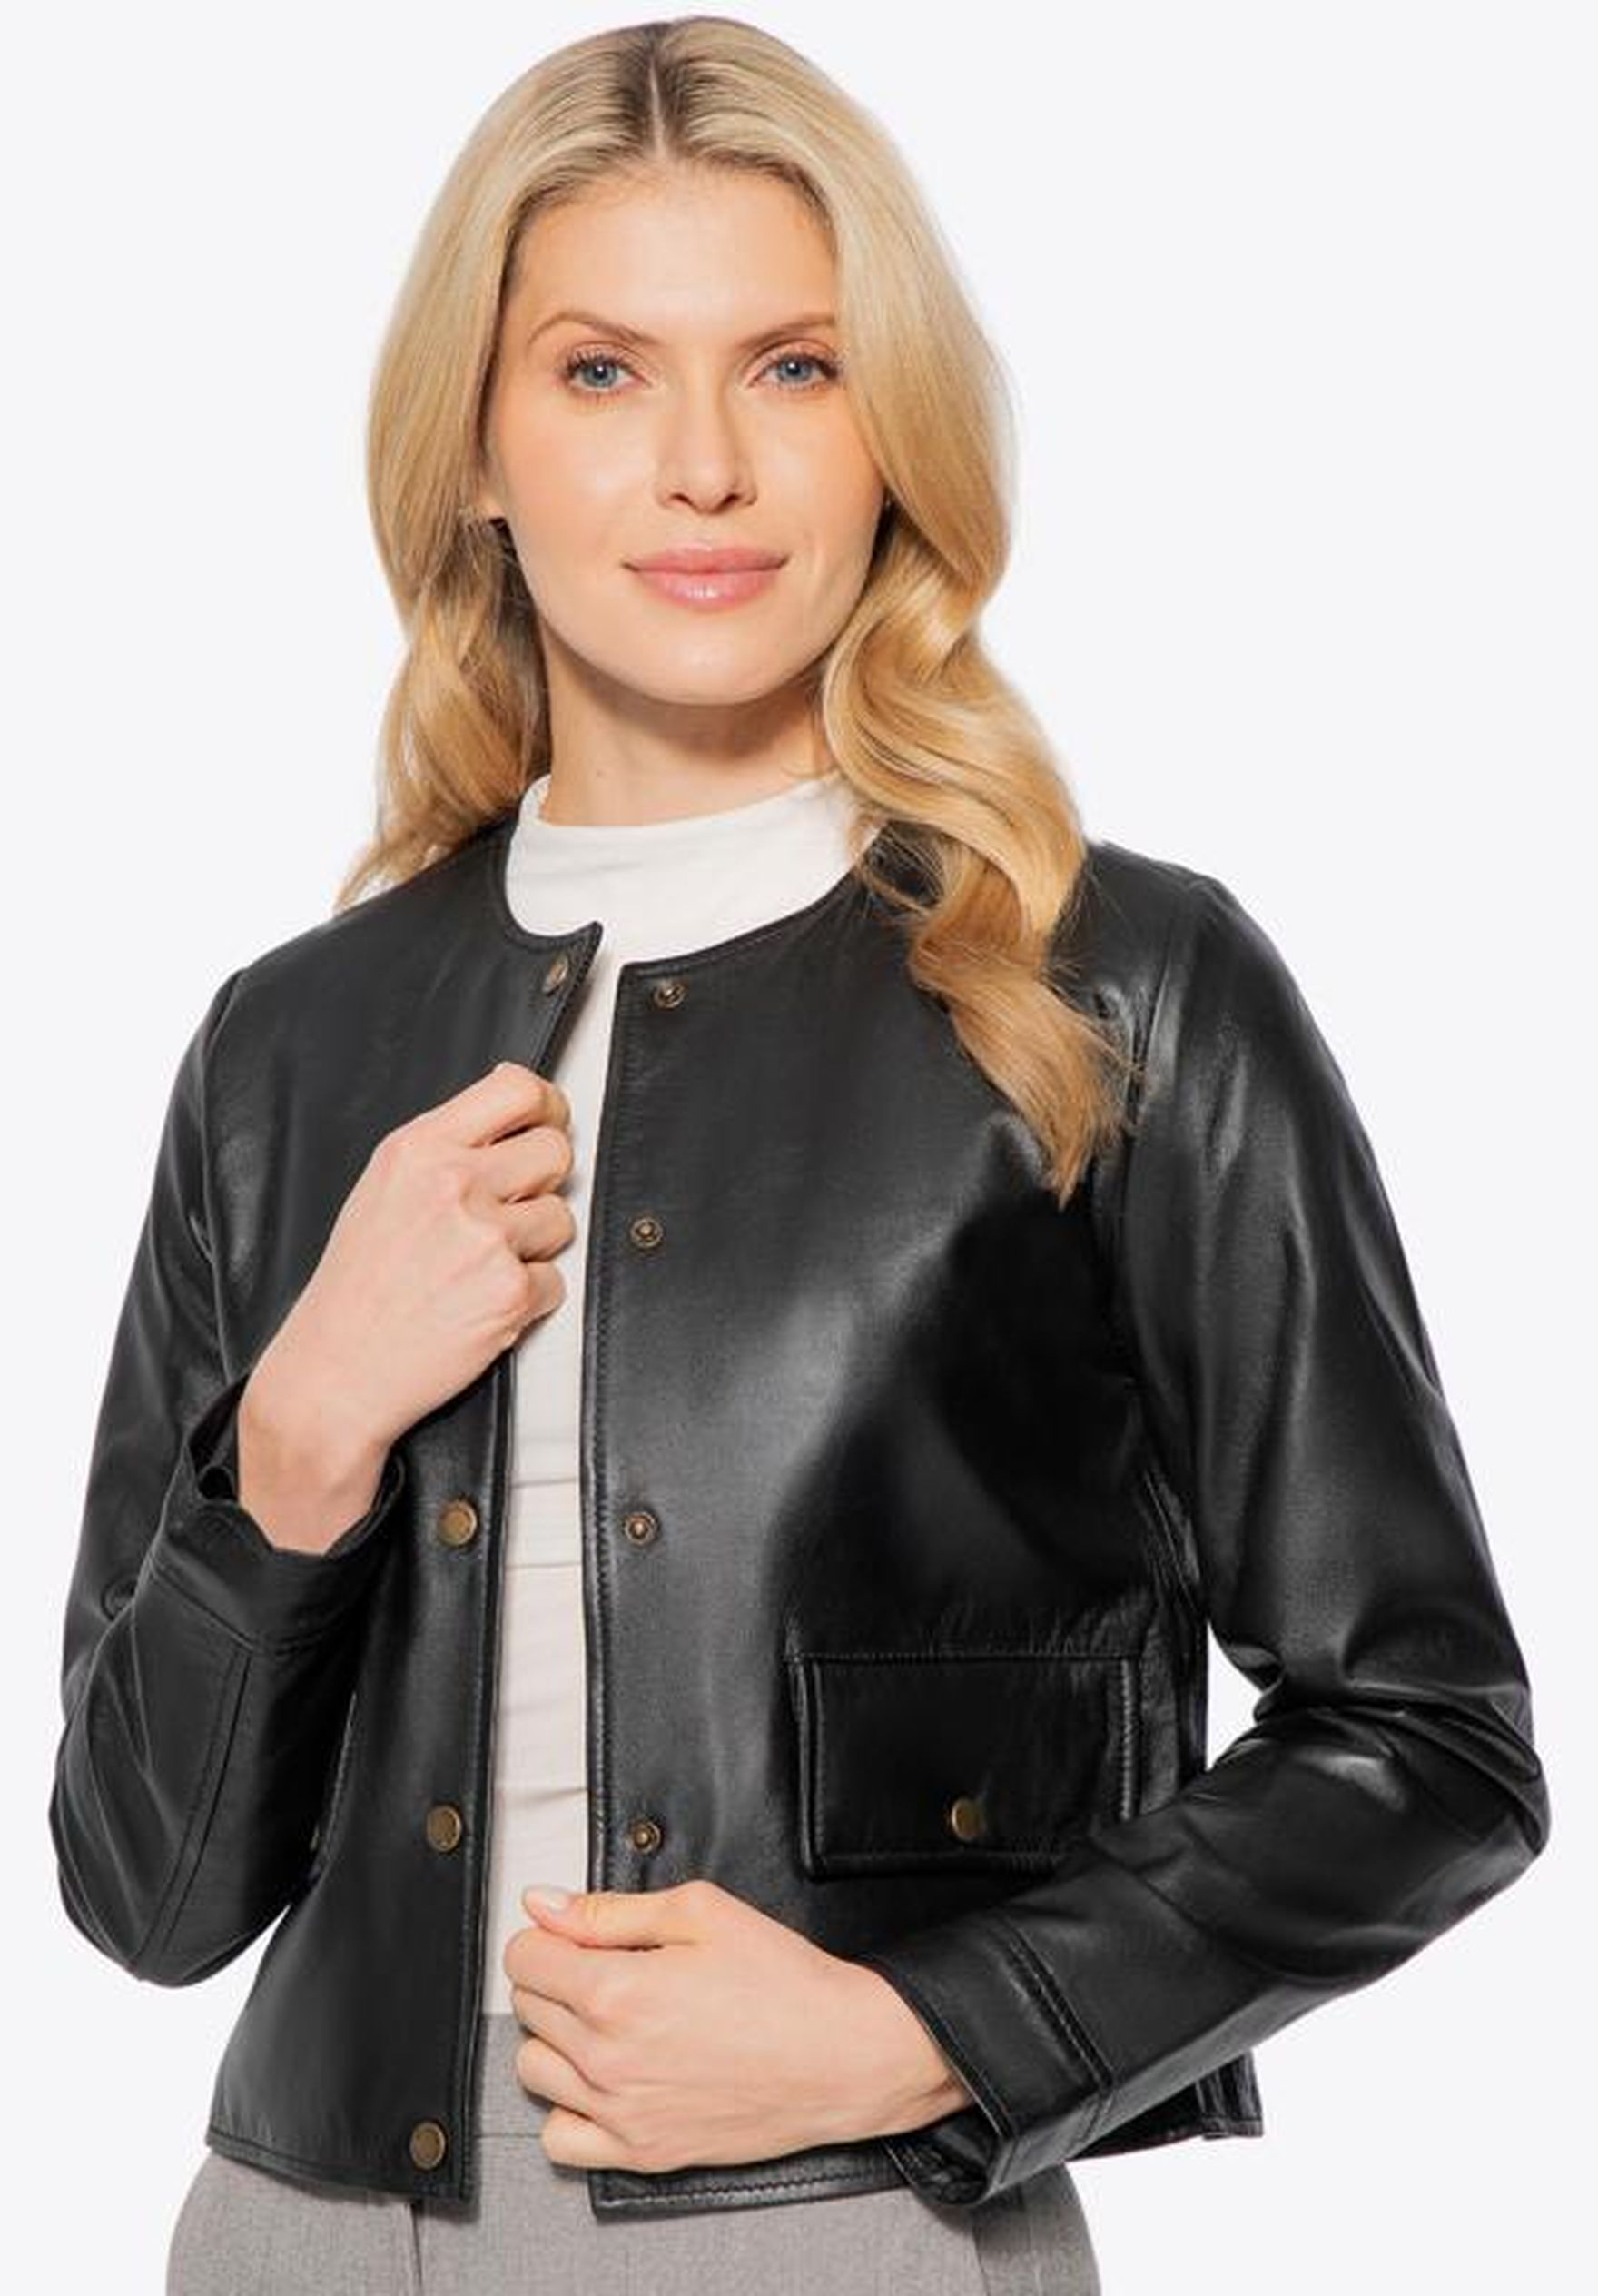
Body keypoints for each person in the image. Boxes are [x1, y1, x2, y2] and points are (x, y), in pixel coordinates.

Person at [47, 18, 1548, 2296]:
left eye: (794, 367)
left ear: (889, 430)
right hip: (295, 2231)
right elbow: (143, 1897)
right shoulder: (290, 1047)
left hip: (838, 2217)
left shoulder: (1111, 984)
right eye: (599, 373)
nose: (704, 469)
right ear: (475, 451)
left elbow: (1428, 1739)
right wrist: (304, 1435)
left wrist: (917, 2034)